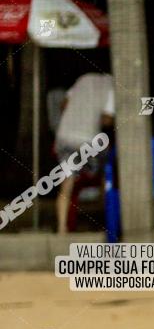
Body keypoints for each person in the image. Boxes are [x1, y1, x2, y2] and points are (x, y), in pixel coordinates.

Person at [54, 72, 115, 234]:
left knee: (66, 184)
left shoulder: (83, 78)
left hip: (65, 137)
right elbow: (107, 120)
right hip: (88, 141)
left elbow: (64, 105)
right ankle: (106, 221)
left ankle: (62, 228)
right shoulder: (112, 87)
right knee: (106, 171)